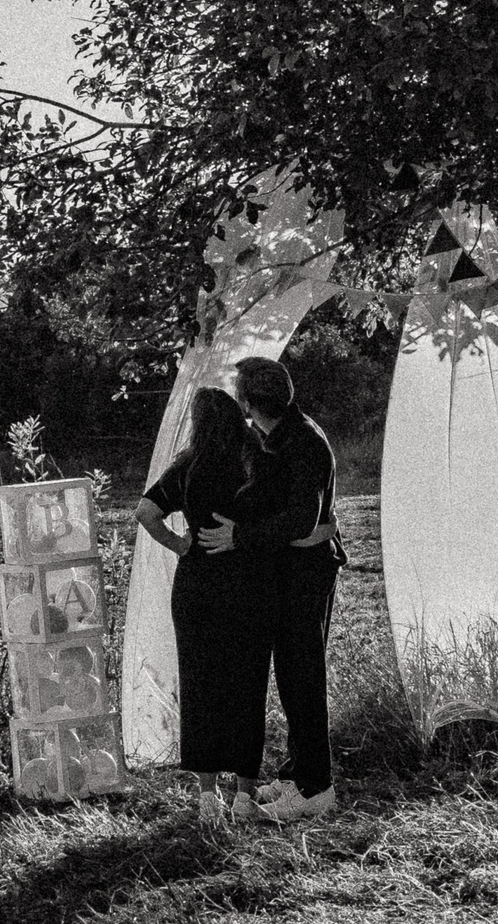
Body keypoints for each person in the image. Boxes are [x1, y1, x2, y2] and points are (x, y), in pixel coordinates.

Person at [196, 354, 345, 821]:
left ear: (249, 400)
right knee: (291, 674)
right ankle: (297, 774)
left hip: (306, 575)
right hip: (290, 569)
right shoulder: (276, 436)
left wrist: (240, 536)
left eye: (240, 389)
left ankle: (317, 788)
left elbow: (302, 518)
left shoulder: (301, 443)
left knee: (302, 675)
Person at [133, 387, 280, 826]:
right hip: (248, 583)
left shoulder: (188, 466)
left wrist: (181, 544)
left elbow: (145, 511)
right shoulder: (256, 463)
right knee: (247, 685)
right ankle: (244, 794)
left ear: (199, 423)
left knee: (201, 687)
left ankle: (206, 794)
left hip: (197, 586)